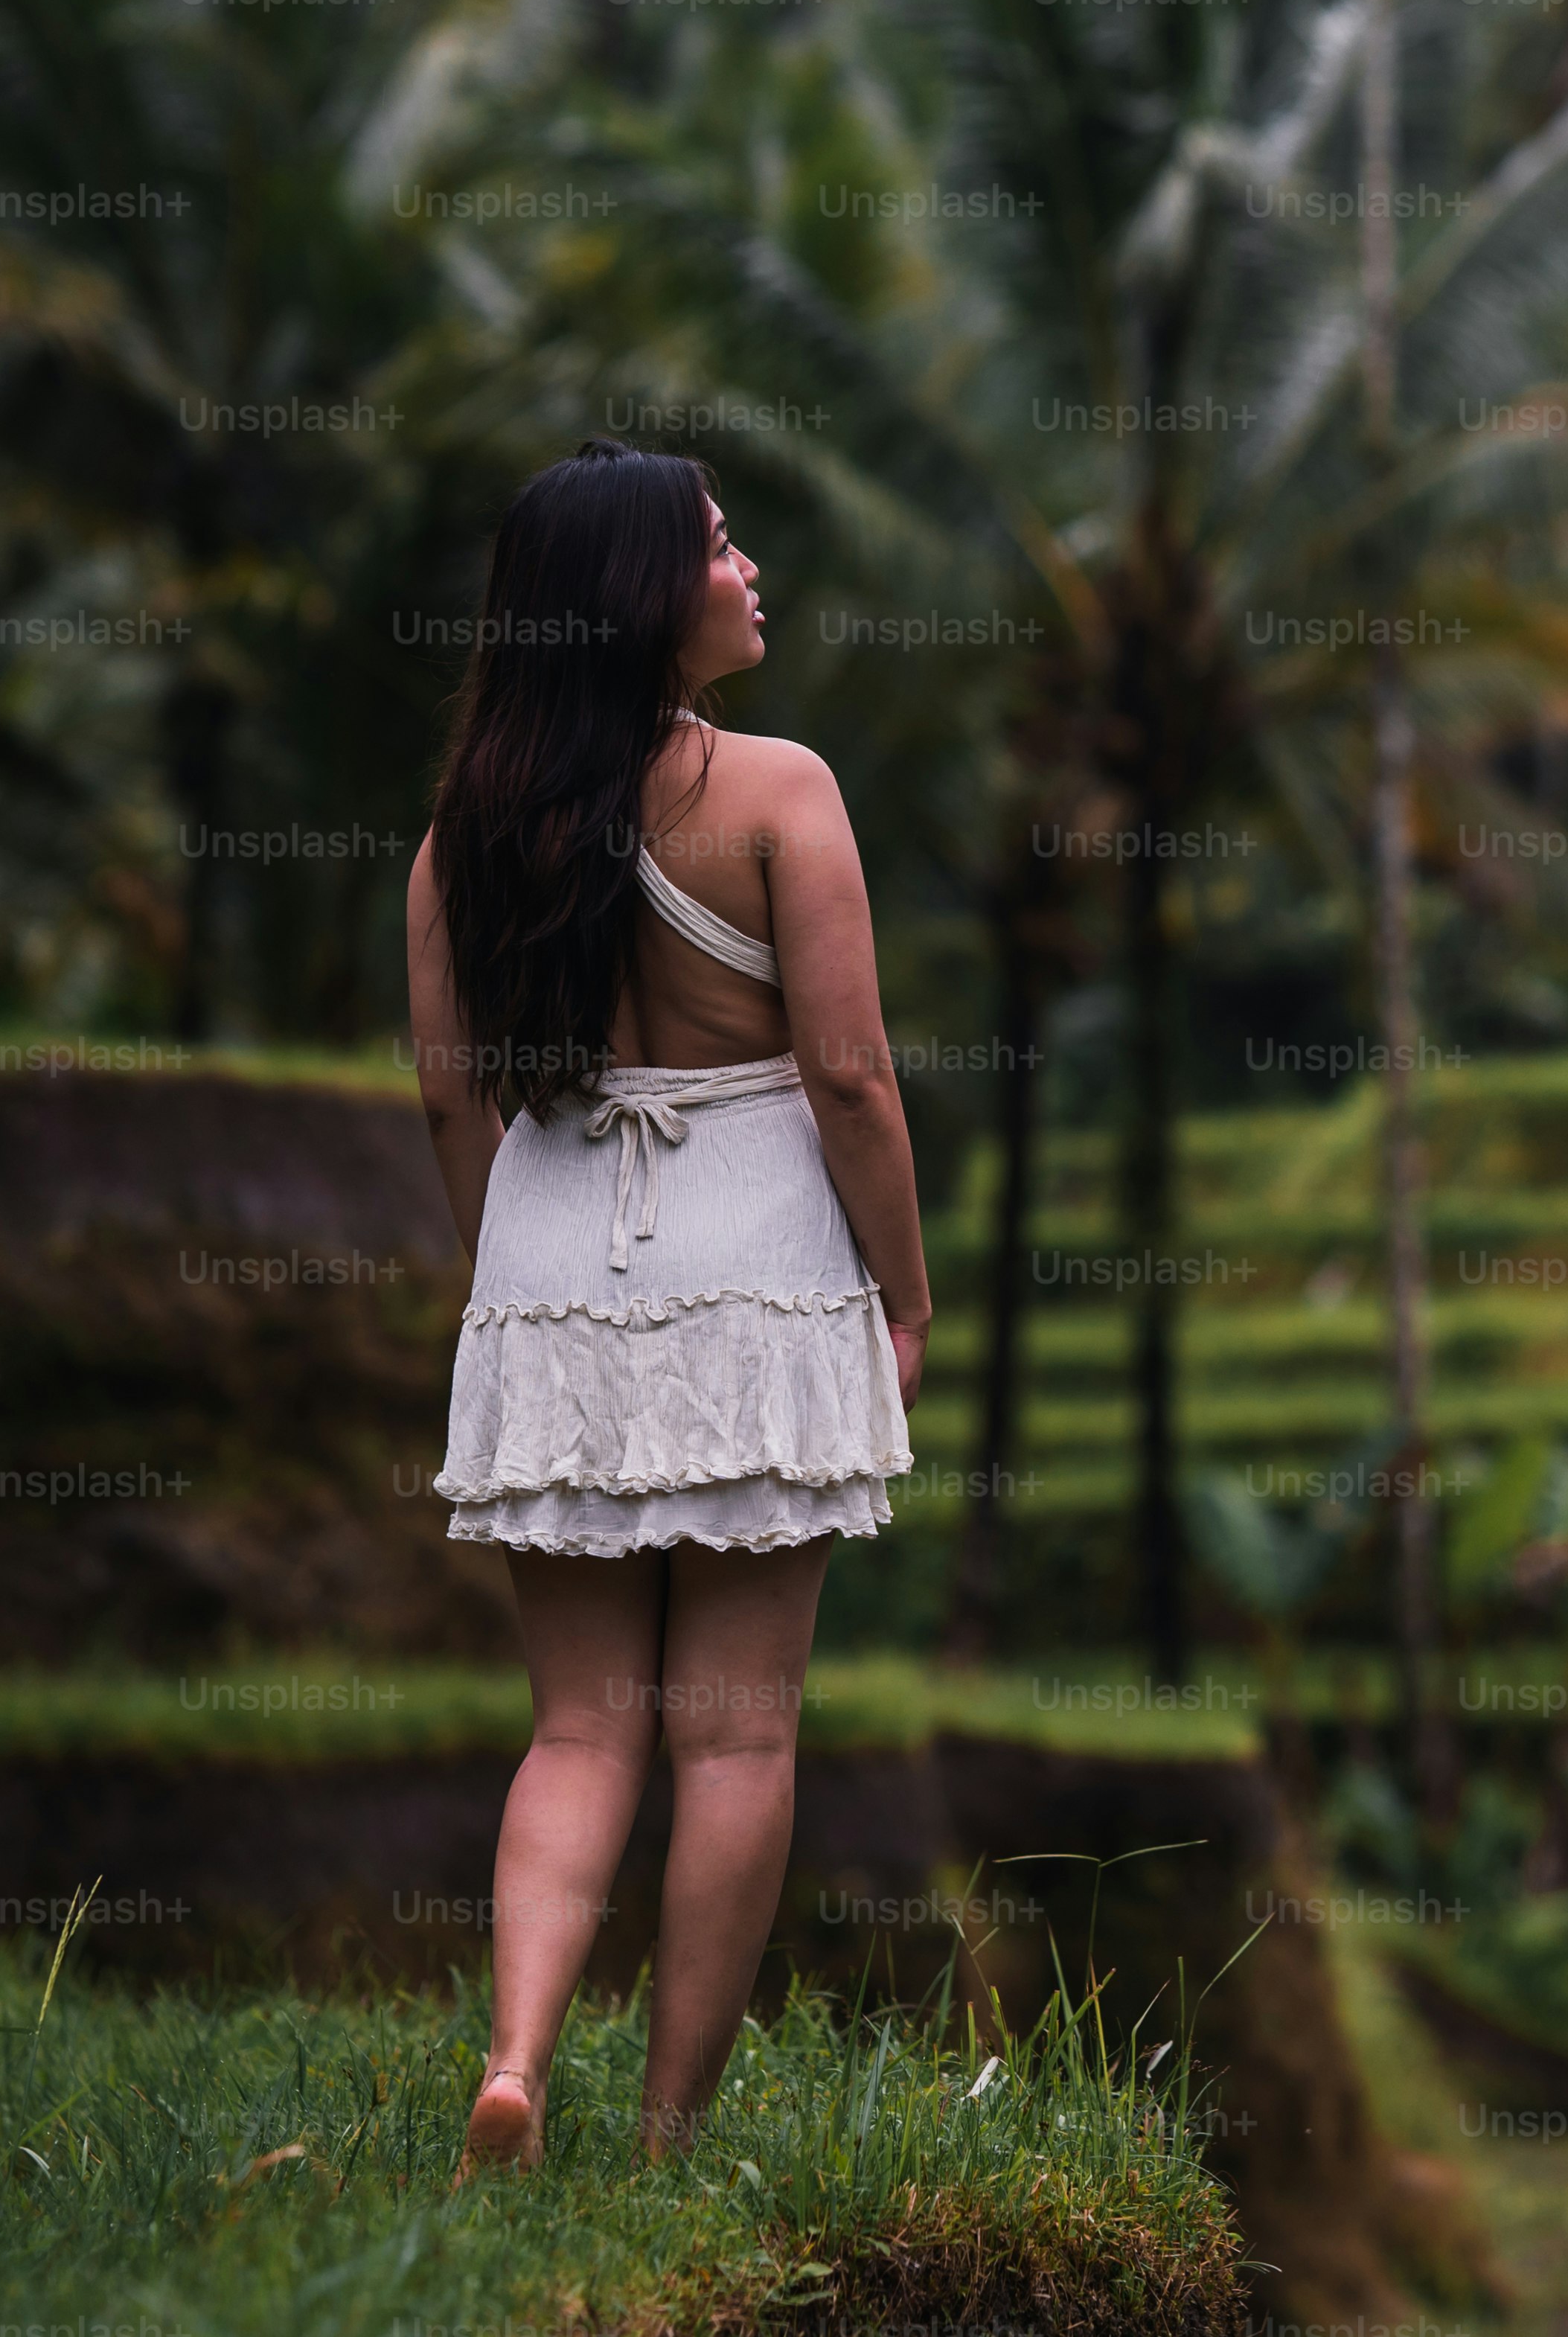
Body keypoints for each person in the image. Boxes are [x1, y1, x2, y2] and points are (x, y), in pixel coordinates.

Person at [402, 440, 933, 2174]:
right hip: (758, 1251)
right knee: (735, 1733)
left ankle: (514, 2059)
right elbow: (847, 1076)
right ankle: (662, 2143)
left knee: (574, 1728)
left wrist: (520, 1301)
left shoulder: (458, 843)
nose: (750, 566)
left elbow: (447, 1102)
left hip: (553, 1250)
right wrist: (903, 1301)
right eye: (719, 544)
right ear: (647, 594)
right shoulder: (778, 790)